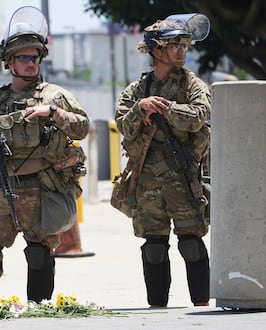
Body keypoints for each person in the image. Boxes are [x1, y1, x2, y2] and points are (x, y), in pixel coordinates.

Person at [0, 6, 89, 304]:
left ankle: (38, 309)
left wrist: (53, 113)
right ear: (9, 61)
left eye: (35, 57)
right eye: (23, 57)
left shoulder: (54, 95)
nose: (31, 63)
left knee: (39, 251)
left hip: (41, 183)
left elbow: (82, 126)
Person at [115, 13, 211, 307]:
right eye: (174, 45)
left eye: (184, 45)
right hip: (147, 182)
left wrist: (167, 108)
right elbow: (122, 124)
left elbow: (199, 117)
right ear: (157, 51)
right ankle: (157, 310)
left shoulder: (191, 85)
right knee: (154, 247)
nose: (182, 51)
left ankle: (201, 306)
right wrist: (140, 108)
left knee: (192, 244)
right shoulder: (137, 90)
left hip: (183, 178)